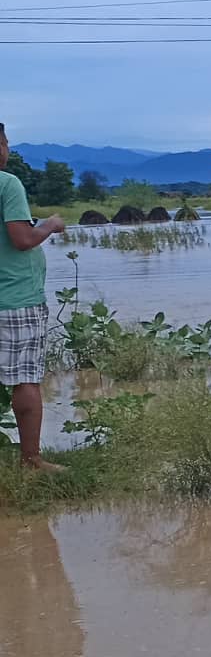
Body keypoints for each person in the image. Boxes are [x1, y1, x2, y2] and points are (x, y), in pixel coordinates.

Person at [0, 122, 66, 471]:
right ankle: (31, 460)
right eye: (6, 142)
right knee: (25, 380)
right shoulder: (7, 184)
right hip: (15, 300)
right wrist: (51, 225)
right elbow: (22, 239)